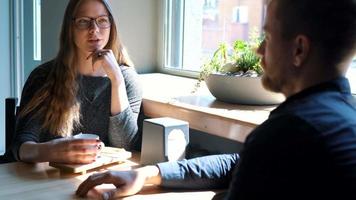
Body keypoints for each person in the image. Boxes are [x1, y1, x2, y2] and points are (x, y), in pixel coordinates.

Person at [76, 0, 356, 199]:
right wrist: (147, 174)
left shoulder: (288, 132)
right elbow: (237, 163)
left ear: (299, 50)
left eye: (268, 37)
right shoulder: (341, 119)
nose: (258, 50)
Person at [11, 0, 142, 164]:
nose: (94, 29)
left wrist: (117, 80)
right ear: (70, 29)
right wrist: (53, 151)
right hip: (45, 179)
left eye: (102, 20)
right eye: (83, 22)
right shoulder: (44, 76)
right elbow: (21, 147)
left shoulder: (126, 79)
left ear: (111, 25)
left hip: (99, 180)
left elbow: (126, 145)